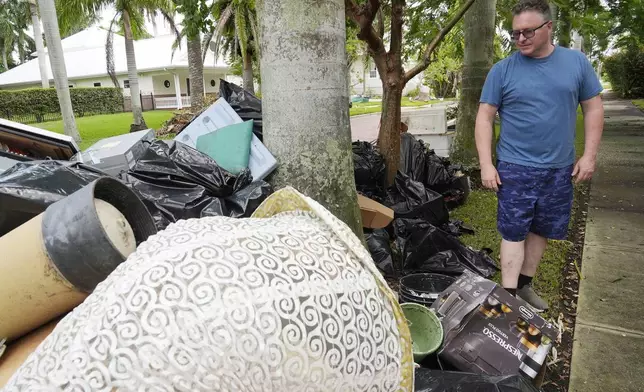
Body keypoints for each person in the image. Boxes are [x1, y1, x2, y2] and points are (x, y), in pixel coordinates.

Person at [475, 0, 604, 311]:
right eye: (515, 33)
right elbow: (484, 117)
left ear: (548, 28)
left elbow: (593, 108)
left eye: (528, 32)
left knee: (542, 228)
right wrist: (486, 164)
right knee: (513, 230)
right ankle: (508, 297)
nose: (520, 39)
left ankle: (524, 285)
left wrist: (589, 156)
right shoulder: (502, 70)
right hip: (515, 167)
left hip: (559, 169)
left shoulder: (576, 64)